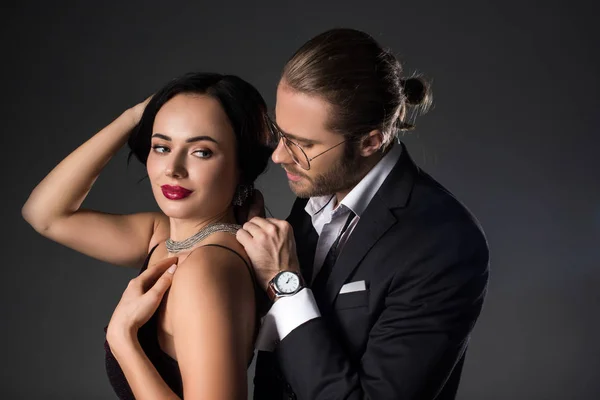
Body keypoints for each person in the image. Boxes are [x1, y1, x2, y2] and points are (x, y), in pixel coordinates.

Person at [236, 28, 490, 399]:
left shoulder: (445, 242)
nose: (279, 156)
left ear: (371, 141)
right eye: (281, 133)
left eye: (303, 144)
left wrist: (284, 282)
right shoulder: (315, 195)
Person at [21, 72, 273, 399]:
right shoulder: (163, 234)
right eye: (162, 146)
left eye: (202, 152)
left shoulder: (206, 267)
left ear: (242, 165)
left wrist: (123, 340)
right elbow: (44, 214)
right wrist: (133, 117)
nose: (173, 169)